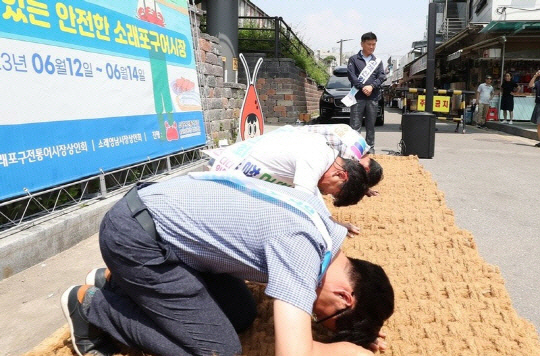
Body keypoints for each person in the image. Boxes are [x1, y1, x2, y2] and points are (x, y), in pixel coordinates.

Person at [61, 174, 395, 356]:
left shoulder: (322, 225)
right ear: (345, 297)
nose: (313, 317)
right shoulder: (301, 252)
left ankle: (120, 280)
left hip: (161, 222)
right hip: (136, 238)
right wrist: (343, 350)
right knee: (219, 350)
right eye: (321, 318)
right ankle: (92, 306)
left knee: (241, 315)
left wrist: (360, 329)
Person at [206, 125, 384, 234]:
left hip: (234, 173)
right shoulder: (315, 158)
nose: (328, 194)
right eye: (334, 192)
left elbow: (313, 202)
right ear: (341, 175)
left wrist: (336, 224)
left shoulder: (326, 156)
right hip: (222, 174)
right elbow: (302, 208)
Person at [347, 32, 386, 154]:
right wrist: (363, 87)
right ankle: (355, 149)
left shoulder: (377, 61)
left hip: (373, 97)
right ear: (362, 44)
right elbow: (351, 76)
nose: (371, 47)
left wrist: (372, 86)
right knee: (355, 125)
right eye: (369, 44)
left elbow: (381, 76)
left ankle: (370, 148)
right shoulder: (353, 59)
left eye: (374, 44)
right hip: (358, 97)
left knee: (370, 125)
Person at [528, 70, 540, 147]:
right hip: (539, 104)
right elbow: (530, 85)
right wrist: (535, 76)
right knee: (539, 124)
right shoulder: (538, 83)